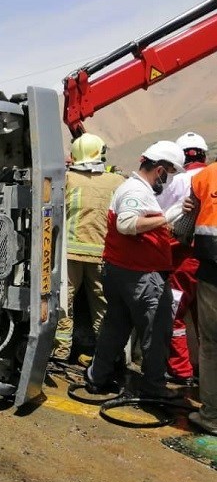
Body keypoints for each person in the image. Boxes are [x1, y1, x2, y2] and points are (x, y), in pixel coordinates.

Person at [85, 141, 186, 398]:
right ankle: (153, 387)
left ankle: (98, 377)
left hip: (123, 271)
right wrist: (168, 216)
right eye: (169, 173)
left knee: (115, 327)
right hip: (139, 275)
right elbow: (126, 224)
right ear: (160, 169)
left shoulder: (134, 188)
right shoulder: (135, 190)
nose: (168, 180)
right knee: (155, 331)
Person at [53, 133, 124, 363]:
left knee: (64, 303)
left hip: (69, 254)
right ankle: (107, 357)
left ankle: (60, 351)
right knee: (103, 305)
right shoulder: (116, 181)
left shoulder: (66, 179)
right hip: (103, 255)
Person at [156, 132, 209, 385]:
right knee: (206, 320)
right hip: (210, 260)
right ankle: (207, 373)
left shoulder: (178, 182)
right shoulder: (211, 177)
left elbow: (159, 213)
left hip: (183, 258)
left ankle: (181, 370)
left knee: (174, 313)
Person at [187, 156, 217, 434]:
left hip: (212, 271)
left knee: (211, 345)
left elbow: (185, 225)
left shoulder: (205, 176)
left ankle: (212, 416)